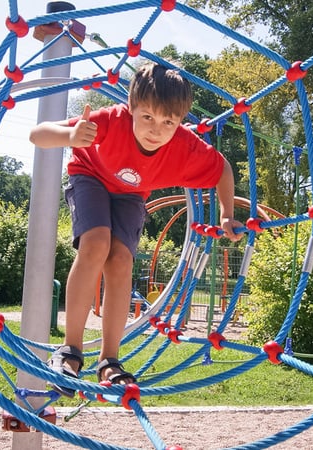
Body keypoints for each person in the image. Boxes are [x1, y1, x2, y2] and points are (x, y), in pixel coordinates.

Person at [28, 63, 243, 397]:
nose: (156, 130)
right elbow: (37, 134)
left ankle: (109, 360)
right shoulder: (109, 122)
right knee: (96, 244)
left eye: (168, 122)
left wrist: (227, 214)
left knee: (121, 260)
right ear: (131, 109)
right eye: (147, 118)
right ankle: (70, 351)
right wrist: (70, 136)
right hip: (90, 176)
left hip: (130, 195)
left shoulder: (184, 146)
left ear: (180, 121)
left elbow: (222, 169)